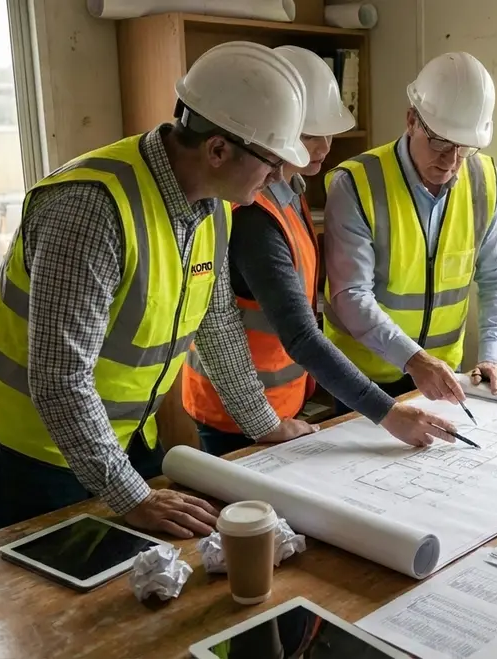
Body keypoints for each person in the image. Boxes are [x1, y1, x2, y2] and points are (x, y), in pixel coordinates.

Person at [0, 41, 319, 538]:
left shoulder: (213, 206)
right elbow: (60, 379)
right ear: (217, 149)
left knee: (152, 566)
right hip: (30, 443)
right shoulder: (90, 209)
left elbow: (215, 325)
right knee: (60, 599)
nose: (280, 176)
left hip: (121, 430)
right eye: (271, 161)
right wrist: (135, 498)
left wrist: (263, 424)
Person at [178, 45, 460, 457]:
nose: (325, 147)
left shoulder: (291, 192)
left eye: (330, 133)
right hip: (239, 411)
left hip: (281, 401)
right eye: (310, 135)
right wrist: (389, 413)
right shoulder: (253, 215)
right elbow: (299, 334)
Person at [322, 51, 497, 410]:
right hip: (362, 381)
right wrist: (414, 359)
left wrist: (493, 354)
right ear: (411, 120)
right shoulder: (355, 183)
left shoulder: (484, 180)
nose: (450, 162)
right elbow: (350, 294)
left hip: (444, 377)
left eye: (464, 148)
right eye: (440, 143)